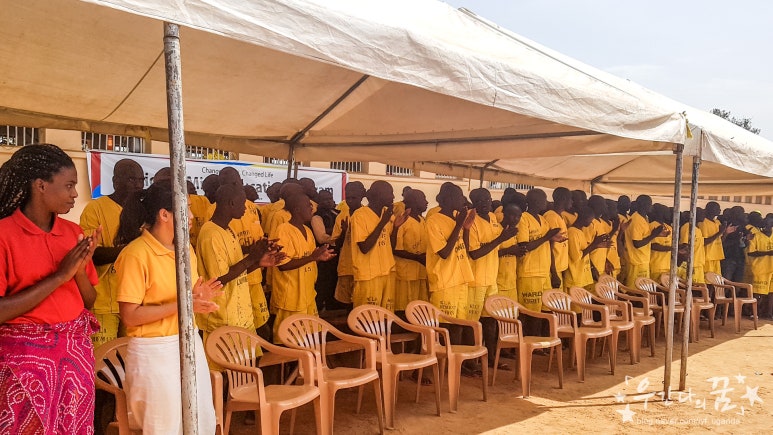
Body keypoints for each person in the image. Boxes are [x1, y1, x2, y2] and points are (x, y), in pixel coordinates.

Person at [0, 144, 100, 434]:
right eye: (69, 185)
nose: (75, 194)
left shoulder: (71, 233)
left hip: (73, 361)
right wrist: (59, 276)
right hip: (22, 366)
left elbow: (89, 301)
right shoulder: (4, 235)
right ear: (40, 185)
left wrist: (78, 271)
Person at [114, 180, 222, 434]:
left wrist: (197, 298)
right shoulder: (136, 254)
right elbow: (130, 316)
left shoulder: (185, 250)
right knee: (165, 427)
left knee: (200, 419)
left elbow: (186, 300)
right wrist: (184, 304)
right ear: (164, 214)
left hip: (187, 341)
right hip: (155, 352)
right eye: (187, 209)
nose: (193, 216)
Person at [196, 184, 281, 343]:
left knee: (249, 363)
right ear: (231, 203)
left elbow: (236, 270)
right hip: (223, 317)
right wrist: (252, 257)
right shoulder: (211, 234)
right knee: (229, 367)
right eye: (242, 203)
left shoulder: (228, 230)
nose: (245, 208)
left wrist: (259, 262)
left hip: (239, 314)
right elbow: (219, 279)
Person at [80, 158, 144, 347]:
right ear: (116, 181)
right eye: (132, 179)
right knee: (103, 365)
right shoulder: (95, 208)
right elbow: (92, 254)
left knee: (131, 363)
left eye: (141, 180)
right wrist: (129, 250)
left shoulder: (143, 211)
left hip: (136, 302)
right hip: (103, 303)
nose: (137, 185)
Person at [271, 193, 335, 340]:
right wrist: (312, 257)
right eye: (308, 205)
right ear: (297, 209)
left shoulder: (307, 231)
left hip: (308, 294)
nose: (312, 208)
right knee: (289, 340)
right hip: (291, 296)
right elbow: (283, 265)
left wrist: (318, 258)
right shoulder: (284, 230)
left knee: (309, 338)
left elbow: (309, 260)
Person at [465, 188, 517, 371]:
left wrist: (506, 236)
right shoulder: (471, 220)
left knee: (490, 320)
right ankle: (471, 361)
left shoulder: (494, 219)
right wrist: (501, 238)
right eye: (481, 200)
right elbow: (475, 253)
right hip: (476, 279)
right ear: (473, 202)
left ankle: (491, 358)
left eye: (487, 199)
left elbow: (496, 247)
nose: (486, 202)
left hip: (491, 278)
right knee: (473, 322)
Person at [216, 167, 271, 338]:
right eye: (227, 183)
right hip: (234, 281)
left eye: (235, 181)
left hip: (254, 275)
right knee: (244, 331)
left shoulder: (252, 207)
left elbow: (257, 236)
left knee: (261, 325)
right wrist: (252, 252)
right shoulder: (215, 214)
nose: (233, 186)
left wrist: (265, 247)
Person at [426, 183, 475, 344]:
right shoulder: (434, 221)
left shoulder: (456, 218)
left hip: (461, 279)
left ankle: (457, 361)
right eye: (458, 196)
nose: (462, 200)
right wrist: (459, 225)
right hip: (445, 282)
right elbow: (444, 252)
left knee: (459, 324)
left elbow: (465, 249)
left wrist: (466, 228)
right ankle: (445, 363)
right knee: (445, 326)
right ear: (447, 199)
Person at [350, 181, 407, 310]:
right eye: (390, 193)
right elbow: (364, 248)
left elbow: (390, 247)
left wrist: (396, 227)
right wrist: (382, 223)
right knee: (368, 319)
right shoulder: (360, 215)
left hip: (387, 271)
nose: (393, 197)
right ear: (379, 195)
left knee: (386, 318)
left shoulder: (386, 214)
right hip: (369, 275)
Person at [516, 189, 561, 315]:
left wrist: (553, 272)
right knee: (532, 314)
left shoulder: (543, 219)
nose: (546, 202)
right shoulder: (523, 218)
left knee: (548, 312)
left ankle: (545, 336)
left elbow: (548, 245)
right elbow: (524, 246)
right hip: (530, 273)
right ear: (535, 201)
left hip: (544, 272)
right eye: (544, 199)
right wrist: (547, 236)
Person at [392, 189, 429, 318]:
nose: (427, 202)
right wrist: (417, 257)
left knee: (419, 310)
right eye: (423, 198)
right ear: (413, 201)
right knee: (403, 310)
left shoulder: (422, 220)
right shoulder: (402, 220)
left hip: (420, 273)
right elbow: (395, 248)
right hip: (405, 274)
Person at [331, 182, 366, 307]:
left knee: (360, 302)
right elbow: (337, 245)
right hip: (346, 265)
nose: (350, 201)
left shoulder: (366, 215)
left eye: (354, 198)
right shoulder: (342, 216)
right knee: (346, 302)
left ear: (362, 196)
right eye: (348, 198)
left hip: (363, 267)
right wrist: (344, 232)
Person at [623, 195, 668, 288]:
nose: (651, 207)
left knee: (644, 290)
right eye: (649, 204)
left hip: (642, 260)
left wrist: (659, 234)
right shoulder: (636, 220)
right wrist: (654, 235)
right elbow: (637, 243)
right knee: (635, 292)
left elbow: (644, 236)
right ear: (643, 205)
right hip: (636, 261)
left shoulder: (644, 219)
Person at [310, 190, 341, 311]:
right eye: (325, 199)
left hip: (338, 253)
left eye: (330, 198)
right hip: (325, 254)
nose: (329, 201)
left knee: (334, 284)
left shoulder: (338, 213)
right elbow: (321, 237)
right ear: (319, 202)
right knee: (324, 284)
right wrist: (337, 231)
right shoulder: (317, 217)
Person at [564, 207, 603, 291]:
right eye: (591, 219)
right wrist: (594, 244)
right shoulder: (572, 233)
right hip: (574, 278)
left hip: (581, 277)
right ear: (585, 217)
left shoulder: (580, 231)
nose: (591, 222)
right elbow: (576, 257)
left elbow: (585, 252)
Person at [700, 201, 736, 276]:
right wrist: (720, 232)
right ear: (710, 209)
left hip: (716, 256)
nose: (720, 210)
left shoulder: (717, 222)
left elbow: (720, 240)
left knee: (716, 282)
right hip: (707, 257)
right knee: (708, 281)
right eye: (717, 208)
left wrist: (726, 233)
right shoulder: (703, 223)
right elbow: (704, 242)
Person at [544, 188, 571, 289]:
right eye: (570, 199)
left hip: (560, 267)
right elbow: (549, 246)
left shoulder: (560, 216)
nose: (571, 202)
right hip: (553, 269)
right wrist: (554, 272)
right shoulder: (551, 217)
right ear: (564, 199)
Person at [649, 203, 673, 280]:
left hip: (667, 265)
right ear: (661, 213)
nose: (669, 213)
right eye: (667, 211)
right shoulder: (652, 226)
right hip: (656, 265)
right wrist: (672, 248)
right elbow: (653, 245)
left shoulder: (669, 227)